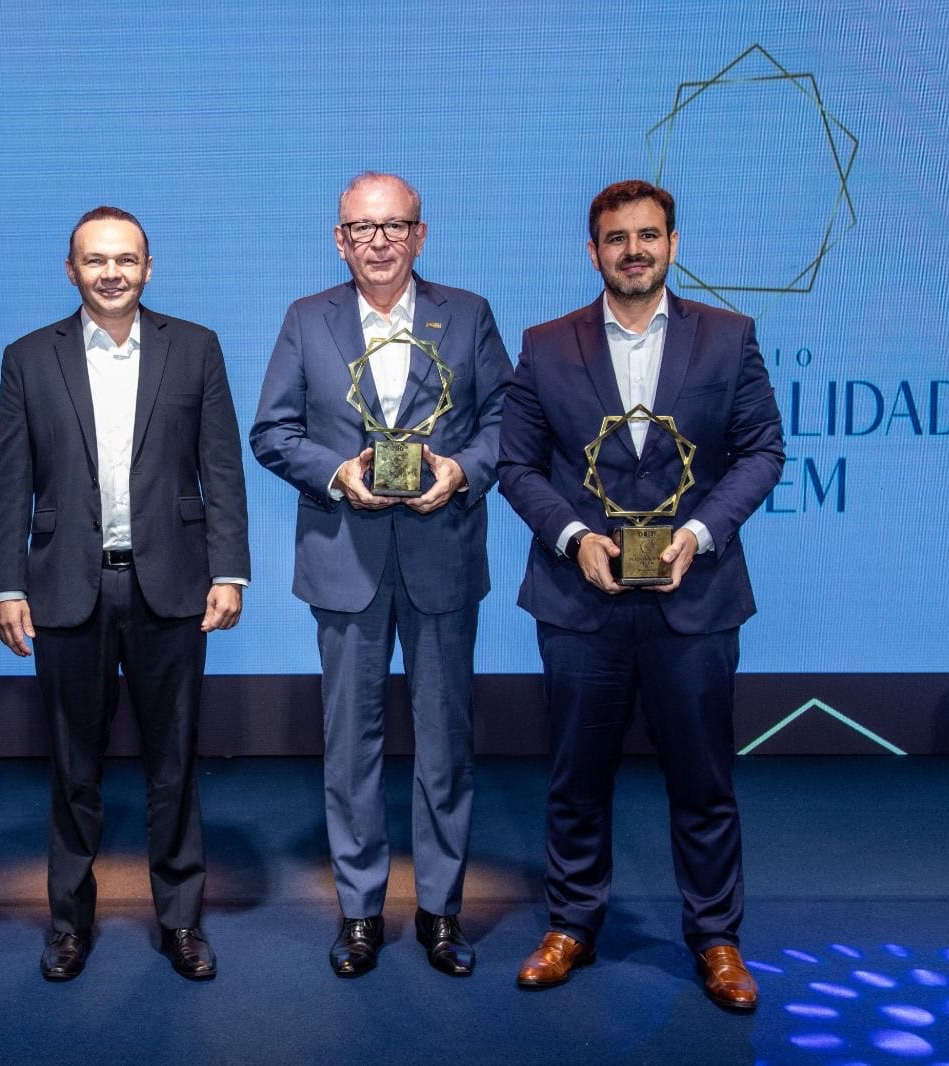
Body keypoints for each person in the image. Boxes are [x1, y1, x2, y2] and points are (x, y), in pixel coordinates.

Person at [496, 179, 784, 1011]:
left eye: (648, 236)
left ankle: (717, 939)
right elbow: (516, 464)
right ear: (593, 252)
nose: (634, 251)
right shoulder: (546, 345)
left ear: (672, 244)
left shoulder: (728, 338)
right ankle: (571, 925)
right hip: (579, 601)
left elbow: (762, 450)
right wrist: (573, 537)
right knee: (576, 778)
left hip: (695, 600)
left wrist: (698, 535)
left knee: (703, 781)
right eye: (617, 238)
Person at [249, 172, 511, 978]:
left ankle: (440, 913)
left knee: (446, 748)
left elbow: (507, 422)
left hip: (443, 556)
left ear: (420, 234)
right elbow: (272, 432)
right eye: (362, 228)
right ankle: (360, 913)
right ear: (340, 240)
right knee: (349, 748)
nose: (379, 242)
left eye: (395, 226)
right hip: (345, 561)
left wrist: (462, 472)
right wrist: (337, 473)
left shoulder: (468, 315)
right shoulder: (307, 319)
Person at [0, 206, 250, 982]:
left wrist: (229, 571)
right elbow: (11, 483)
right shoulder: (27, 357)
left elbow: (221, 466)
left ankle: (181, 922)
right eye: (96, 260)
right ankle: (69, 925)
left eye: (126, 259)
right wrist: (7, 584)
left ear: (148, 268)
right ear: (71, 270)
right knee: (73, 770)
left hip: (173, 584)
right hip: (66, 587)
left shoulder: (195, 347)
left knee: (175, 765)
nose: (112, 273)